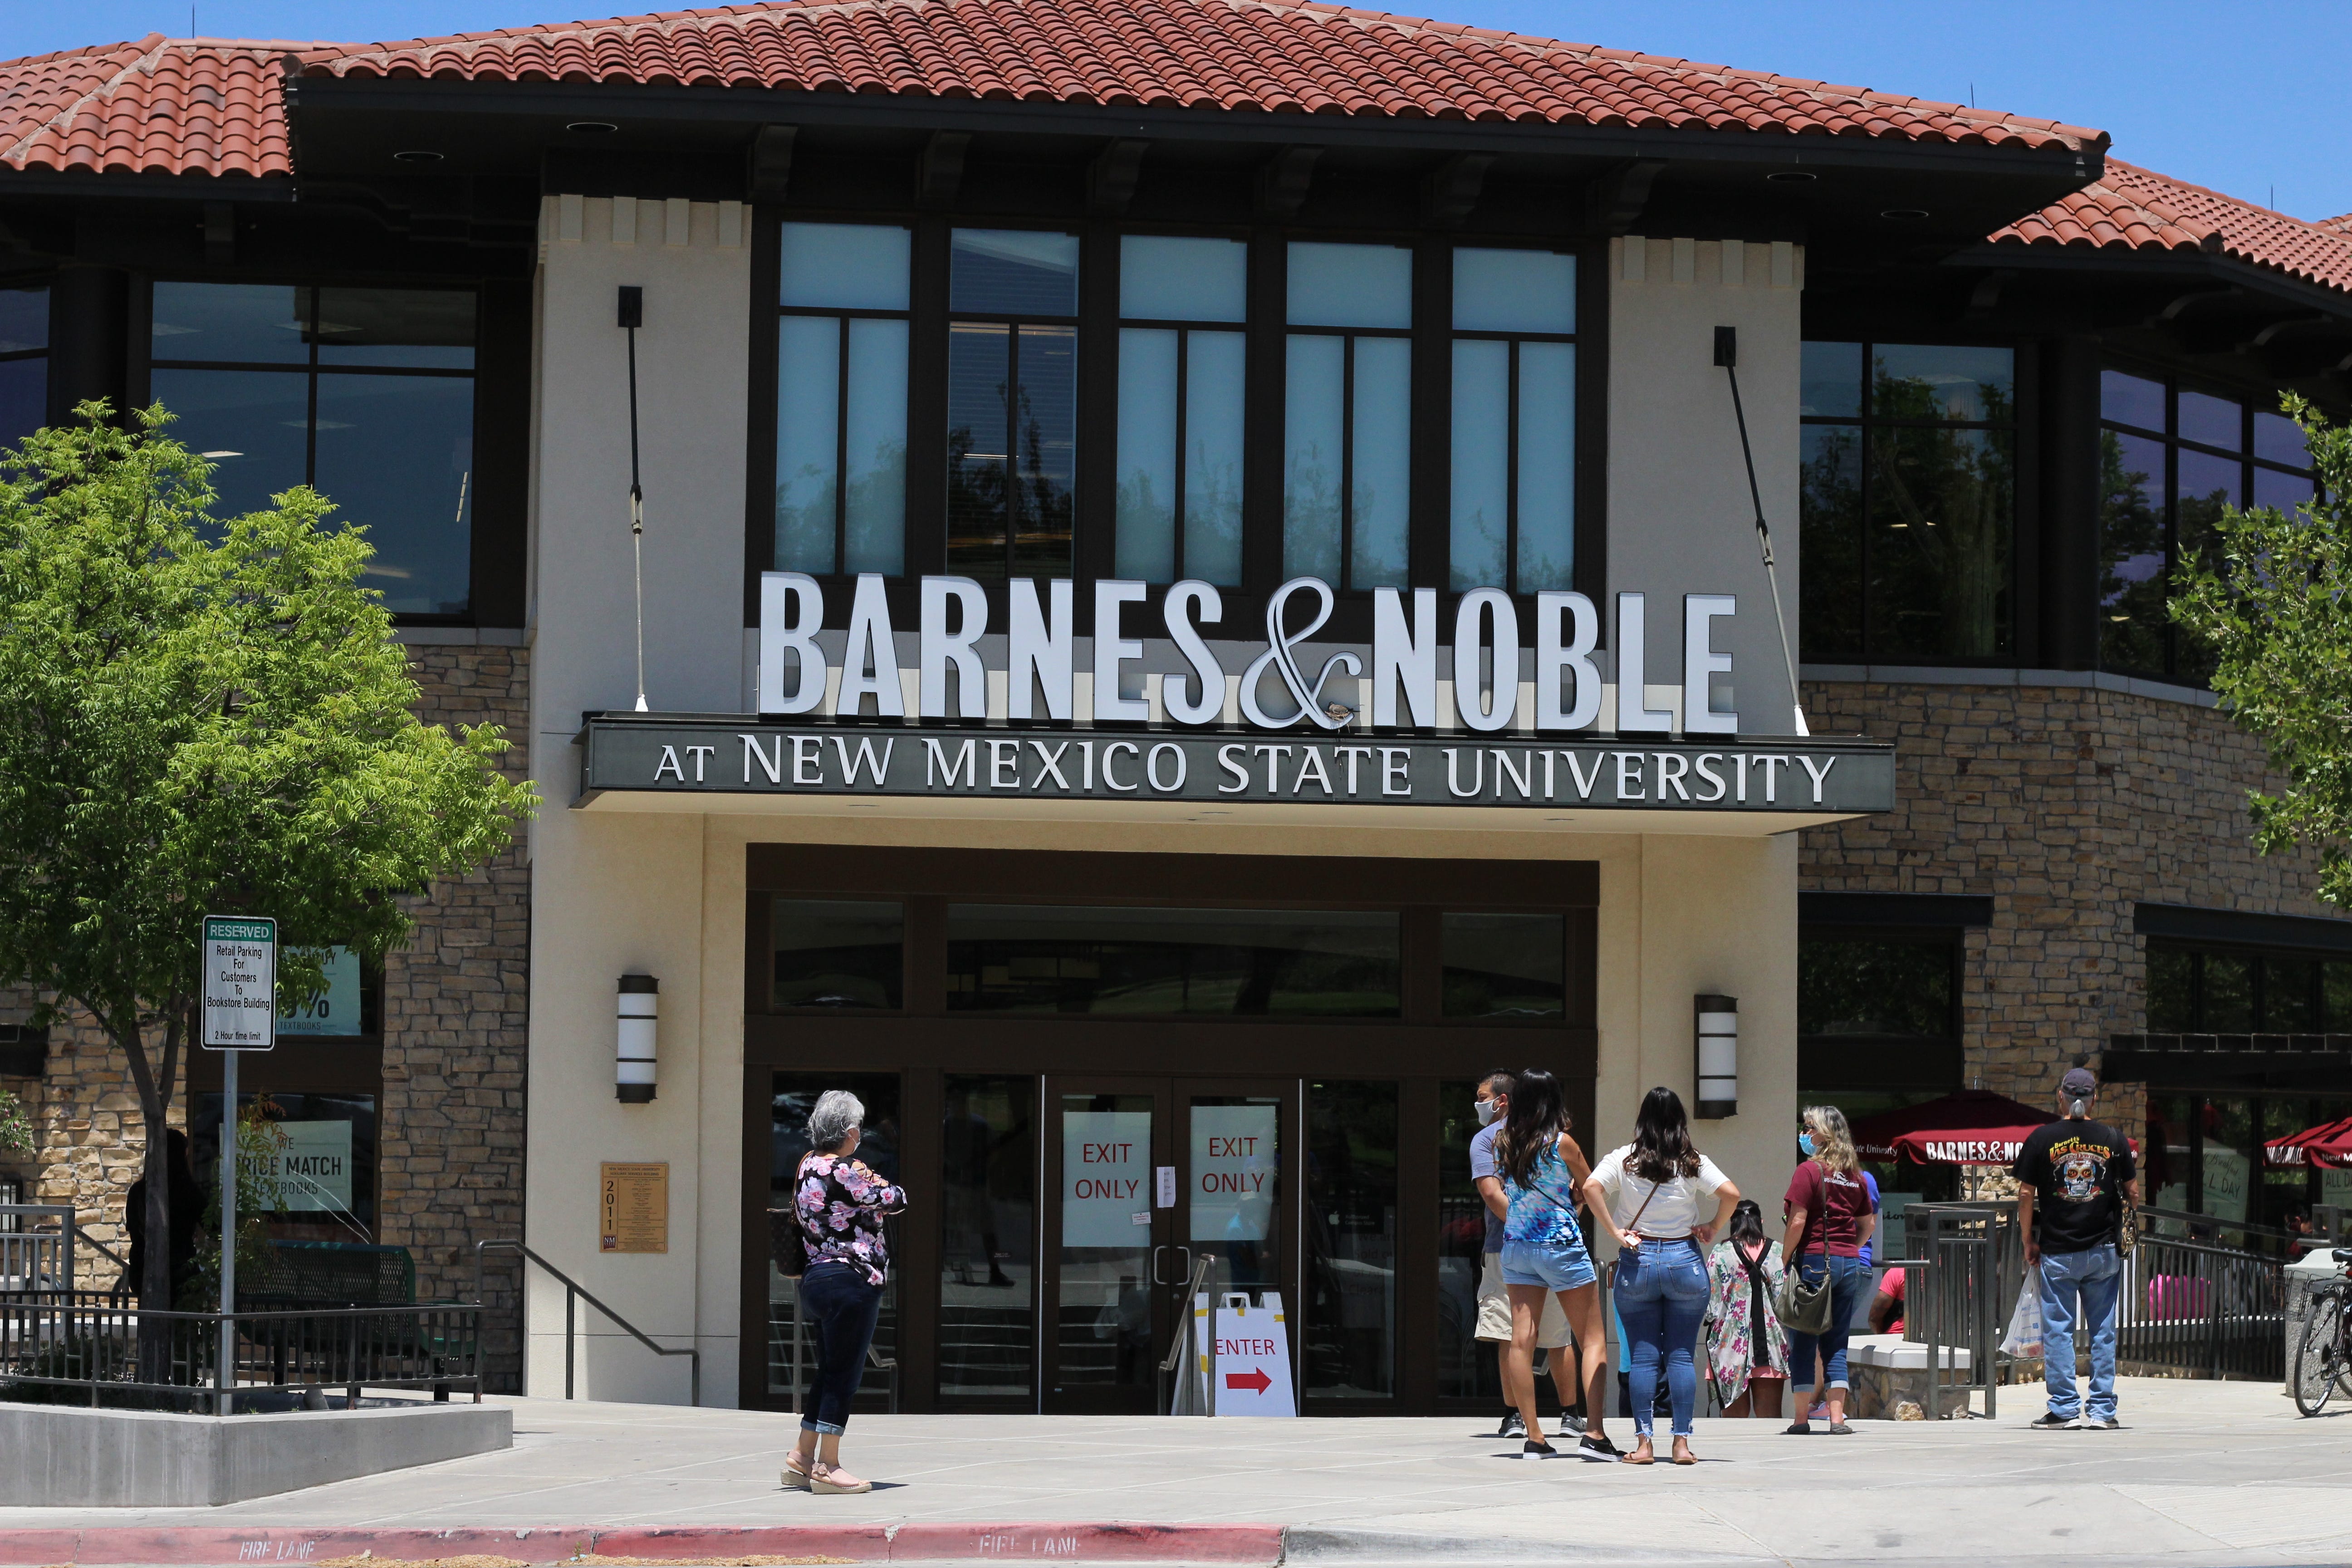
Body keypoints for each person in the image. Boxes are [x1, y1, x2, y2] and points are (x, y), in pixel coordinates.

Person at [1585, 1086, 1740, 1465]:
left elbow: (1591, 1187)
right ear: (1680, 1121)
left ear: (1643, 1120)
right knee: (1682, 1357)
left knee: (1642, 1359)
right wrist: (1711, 1227)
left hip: (1637, 1260)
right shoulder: (1692, 1162)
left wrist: (1614, 1232)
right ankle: (1682, 1445)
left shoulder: (1625, 1158)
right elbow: (1731, 1194)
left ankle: (1644, 1445)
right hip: (1683, 1260)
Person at [784, 1090, 908, 1494]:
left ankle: (801, 1456)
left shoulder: (807, 1164)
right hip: (852, 1280)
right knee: (845, 1375)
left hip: (817, 1280)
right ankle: (828, 1466)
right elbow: (897, 1198)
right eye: (860, 1128)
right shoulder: (846, 1169)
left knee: (829, 1369)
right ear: (851, 1131)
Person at [1493, 1067, 1617, 1460]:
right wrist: (1610, 1227)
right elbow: (1592, 1185)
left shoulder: (1504, 1141)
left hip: (1516, 1245)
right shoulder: (1562, 1143)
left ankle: (1534, 1437)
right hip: (1560, 1245)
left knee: (1521, 1340)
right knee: (1592, 1338)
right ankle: (1594, 1434)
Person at [2013, 1065, 2140, 1431]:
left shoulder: (2041, 1138)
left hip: (2058, 1251)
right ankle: (2101, 1411)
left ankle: (2065, 1409)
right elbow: (2132, 1191)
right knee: (2103, 1331)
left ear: (2061, 1097)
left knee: (2058, 1331)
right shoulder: (2113, 1138)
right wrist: (2131, 1217)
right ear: (2094, 1099)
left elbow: (2025, 1194)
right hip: (2103, 1250)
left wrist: (2027, 1240)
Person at [1469, 1070, 1583, 1438]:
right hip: (1550, 1245)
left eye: (1483, 1097)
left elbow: (1491, 1192)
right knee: (1556, 1335)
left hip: (1509, 1248)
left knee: (1514, 1335)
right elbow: (1584, 1187)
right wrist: (1560, 1219)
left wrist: (1523, 1224)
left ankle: (1518, 1418)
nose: (1479, 1104)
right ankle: (1569, 1414)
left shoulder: (1493, 1139)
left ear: (1503, 1100)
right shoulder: (1554, 1138)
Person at [1780, 1104, 1877, 1435]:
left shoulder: (1809, 1171)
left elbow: (1797, 1221)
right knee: (1837, 1341)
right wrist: (1852, 1247)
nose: (1805, 1134)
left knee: (1805, 1339)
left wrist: (1784, 1257)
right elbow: (1868, 1223)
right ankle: (1837, 1419)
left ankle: (1801, 1419)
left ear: (1825, 1134)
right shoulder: (1856, 1176)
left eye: (1810, 1128)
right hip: (1849, 1262)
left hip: (1814, 1261)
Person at [1705, 1199, 1788, 1420]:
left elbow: (1711, 1304)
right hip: (1769, 1347)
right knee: (1770, 1421)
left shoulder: (1721, 1253)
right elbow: (1784, 1299)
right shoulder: (1779, 1251)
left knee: (1733, 1425)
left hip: (1729, 1347)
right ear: (1760, 1222)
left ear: (1733, 1224)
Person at [124, 1128, 202, 1305]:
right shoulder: (187, 1191)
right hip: (180, 1273)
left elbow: (135, 1233)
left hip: (142, 1271)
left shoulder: (138, 1191)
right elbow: (214, 1227)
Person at [1868, 1266, 1906, 1336]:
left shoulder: (1898, 1273)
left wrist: (1883, 1341)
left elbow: (1874, 1318)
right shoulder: (1899, 1273)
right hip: (1930, 1340)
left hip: (1895, 1339)